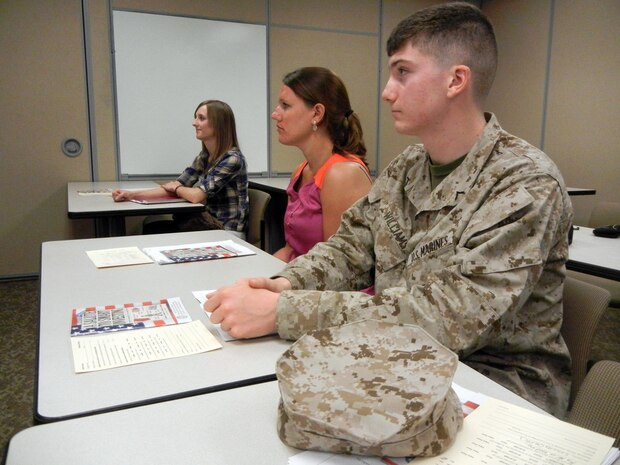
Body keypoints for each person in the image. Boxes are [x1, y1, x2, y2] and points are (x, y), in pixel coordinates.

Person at [204, 2, 574, 417]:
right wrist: (288, 285)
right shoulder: (407, 167)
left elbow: (450, 317)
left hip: (498, 386)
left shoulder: (524, 182)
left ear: (456, 80)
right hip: (402, 361)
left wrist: (285, 312)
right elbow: (350, 248)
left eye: (403, 72)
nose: (386, 91)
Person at [271, 67, 372, 262]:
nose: (276, 114)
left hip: (326, 288)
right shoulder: (301, 171)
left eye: (285, 105)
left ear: (317, 113)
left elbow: (337, 268)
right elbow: (290, 250)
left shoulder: (343, 174)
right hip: (299, 281)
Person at [112, 100, 249, 237]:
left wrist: (177, 189)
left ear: (219, 124)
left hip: (226, 231)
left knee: (157, 232)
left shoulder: (233, 159)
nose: (194, 123)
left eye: (201, 118)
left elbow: (196, 196)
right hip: (207, 224)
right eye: (196, 117)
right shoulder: (204, 157)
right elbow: (176, 186)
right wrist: (131, 195)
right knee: (153, 225)